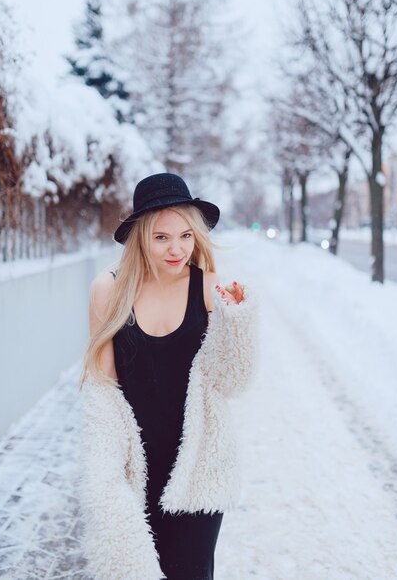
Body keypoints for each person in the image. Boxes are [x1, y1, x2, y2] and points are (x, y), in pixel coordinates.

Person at [77, 172, 259, 580]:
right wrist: (102, 477)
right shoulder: (108, 290)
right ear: (141, 236)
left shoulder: (212, 289)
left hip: (199, 466)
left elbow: (233, 381)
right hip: (133, 469)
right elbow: (103, 388)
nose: (176, 248)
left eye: (185, 236)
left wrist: (239, 322)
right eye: (161, 237)